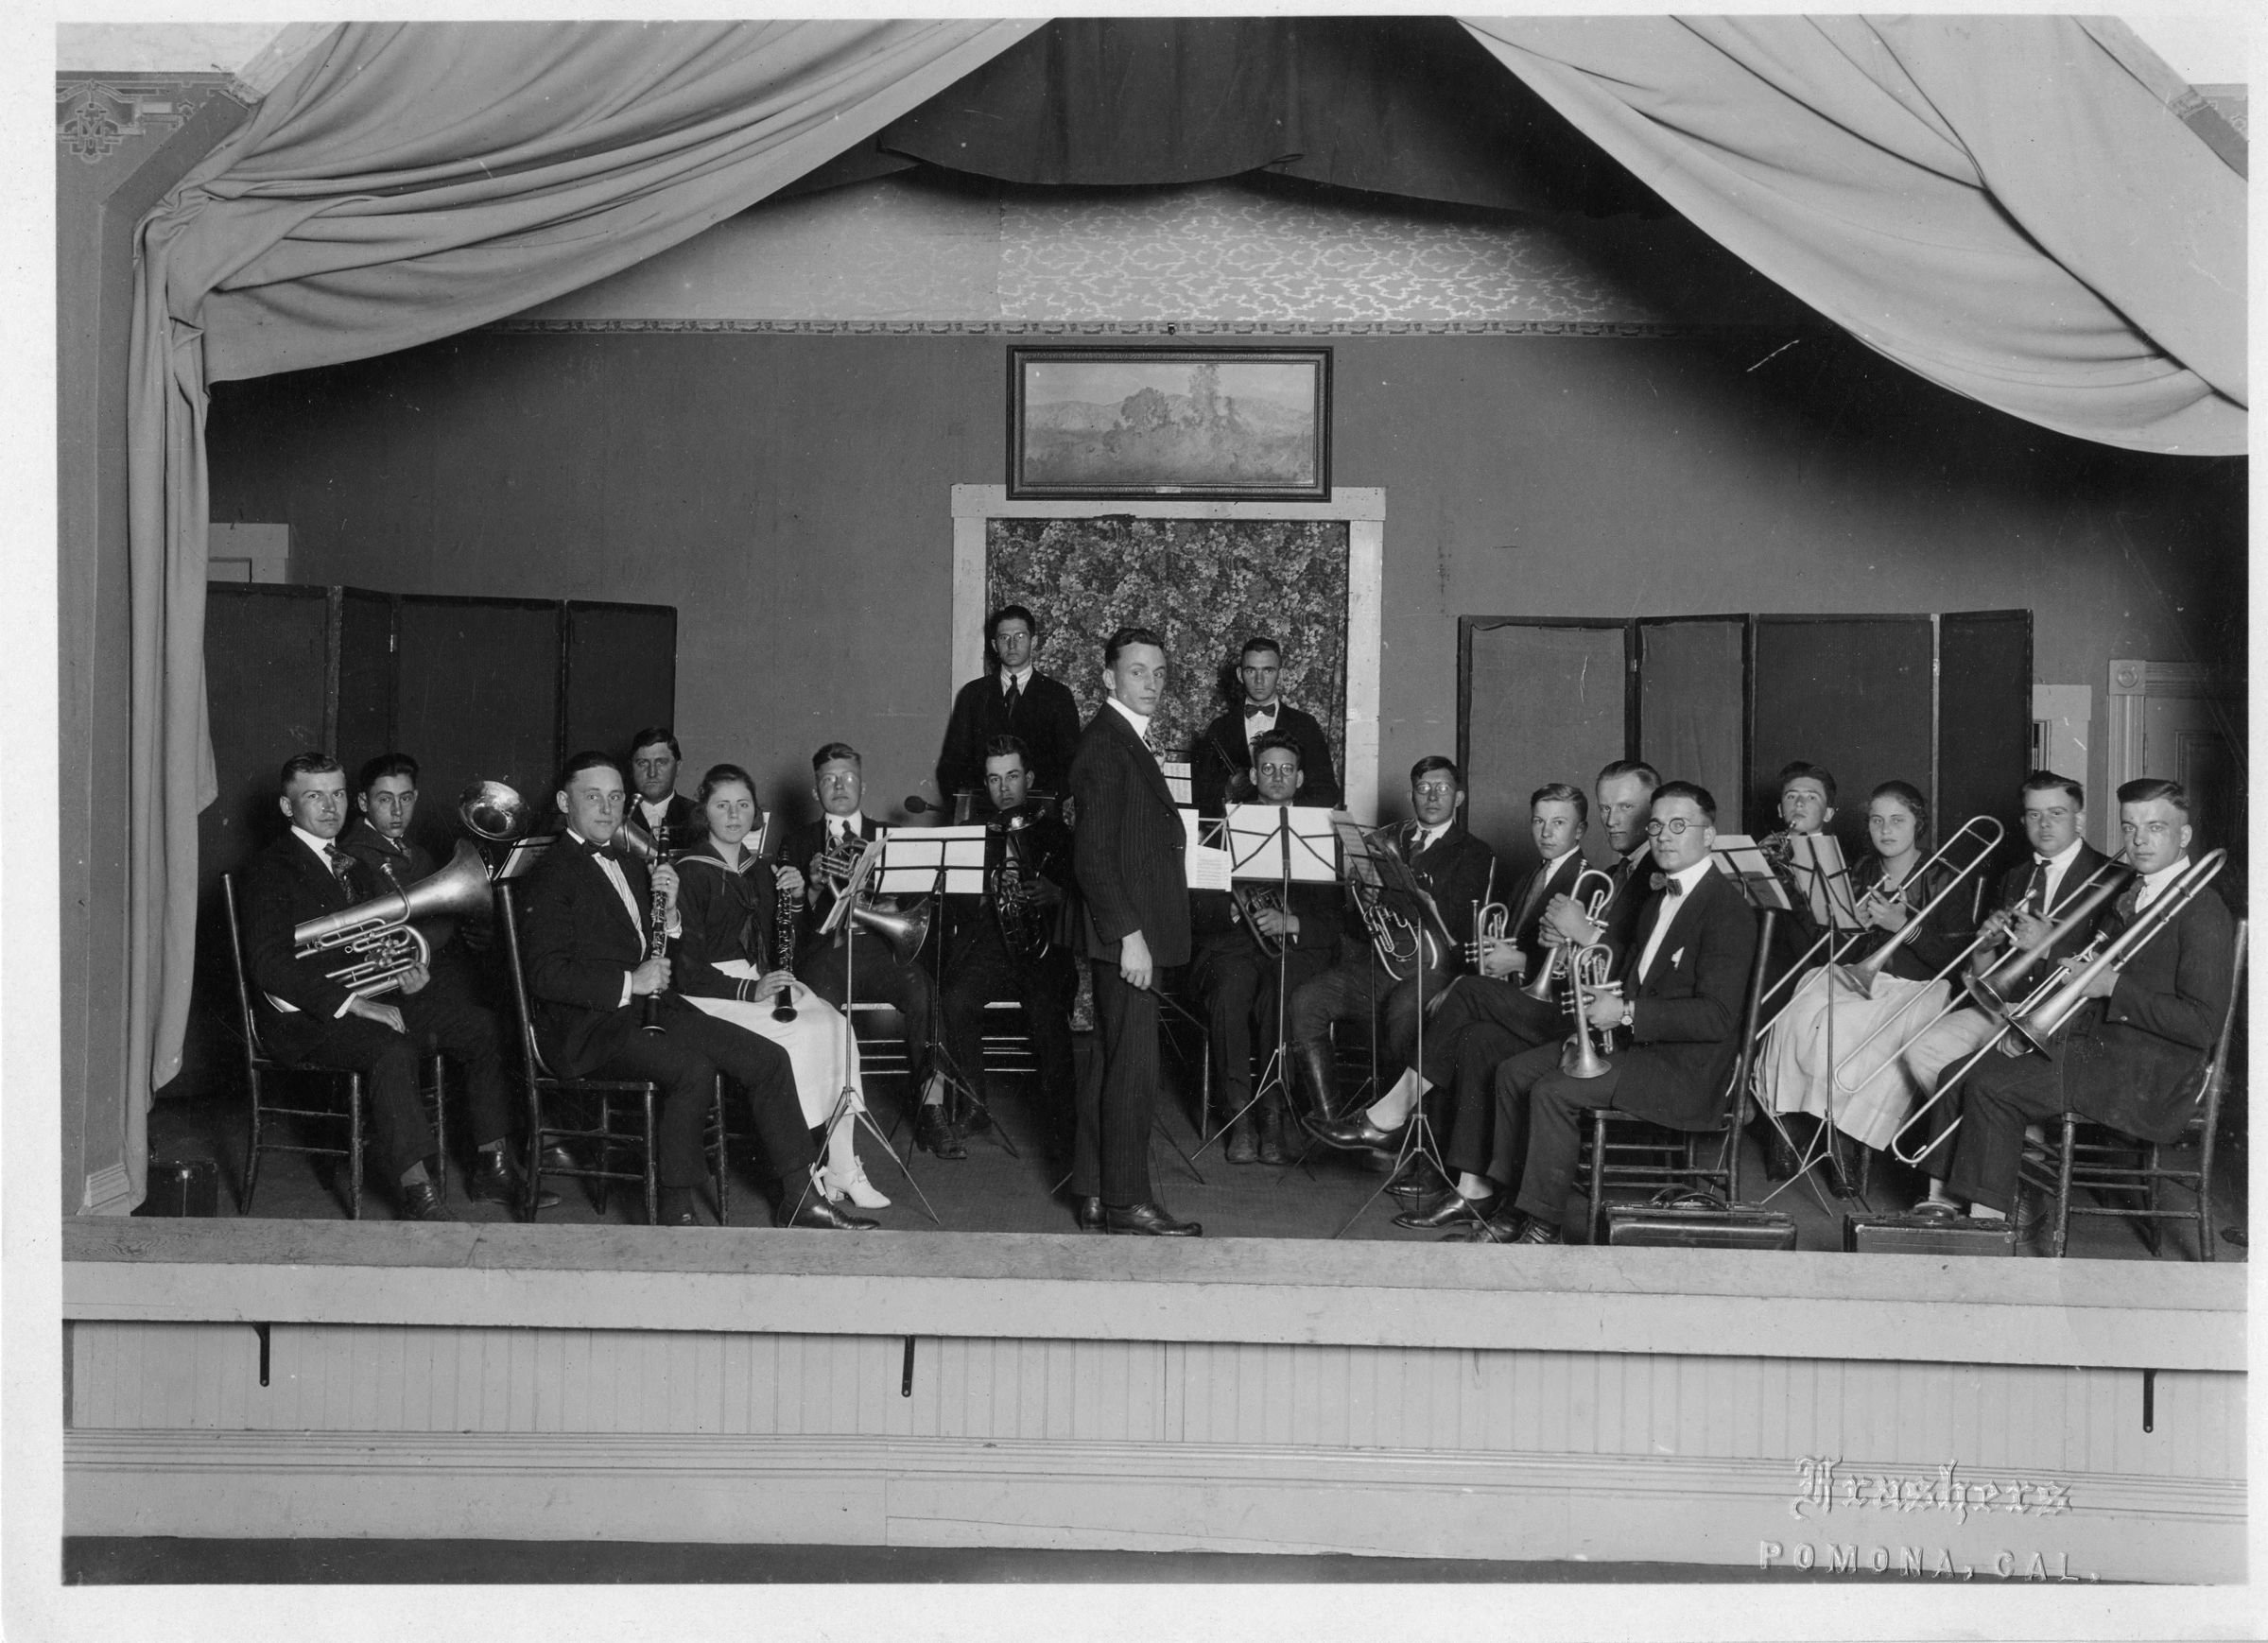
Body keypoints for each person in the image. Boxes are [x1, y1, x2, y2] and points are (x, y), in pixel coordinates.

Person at [522, 751, 872, 1229]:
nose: (606, 808)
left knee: (768, 1058)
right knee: (692, 1069)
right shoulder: (548, 874)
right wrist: (630, 982)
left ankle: (800, 1197)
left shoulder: (629, 863)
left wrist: (669, 914)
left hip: (648, 1008)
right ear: (565, 802)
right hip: (587, 1026)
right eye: (593, 797)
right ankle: (676, 1208)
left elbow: (661, 945)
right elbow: (545, 975)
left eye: (616, 797)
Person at [1913, 779, 2232, 1241]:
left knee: (1991, 1087)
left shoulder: (2202, 910)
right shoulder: (2136, 892)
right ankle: (1941, 1203)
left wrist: (2113, 986)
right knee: (1956, 1074)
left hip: (2147, 1070)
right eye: (2130, 827)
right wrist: (2034, 1028)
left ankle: (1987, 1226)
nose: (2139, 840)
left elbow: (2202, 1025)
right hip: (2097, 1047)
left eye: (2156, 827)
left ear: (2183, 835)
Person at [1454, 779, 1758, 1244]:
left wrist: (1627, 1012)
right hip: (1633, 1049)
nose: (1664, 835)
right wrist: (1593, 1024)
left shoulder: (1727, 910)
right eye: (1656, 825)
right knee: (1513, 1073)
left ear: (1710, 836)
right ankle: (1513, 1210)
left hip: (1685, 1070)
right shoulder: (1657, 899)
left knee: (1552, 1091)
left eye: (1679, 825)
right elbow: (1629, 975)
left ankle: (1543, 1228)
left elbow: (1716, 1017)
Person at [239, 752, 525, 1219]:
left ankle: (492, 1164)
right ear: (288, 807)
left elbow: (365, 945)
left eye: (336, 794)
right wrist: (355, 1002)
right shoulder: (270, 867)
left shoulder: (353, 864)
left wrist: (399, 968)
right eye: (314, 796)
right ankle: (418, 1191)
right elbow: (269, 965)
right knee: (391, 1048)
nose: (330, 807)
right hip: (305, 1018)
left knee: (480, 1027)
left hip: (363, 1001)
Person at [1317, 782, 1594, 1228]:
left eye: (1559, 823)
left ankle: (1390, 1113)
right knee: (1472, 1038)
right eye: (1539, 821)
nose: (1546, 832)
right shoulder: (1532, 876)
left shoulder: (1585, 879)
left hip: (1562, 1014)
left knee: (1464, 992)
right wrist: (1495, 958)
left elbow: (1590, 965)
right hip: (1522, 1002)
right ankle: (1472, 1189)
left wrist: (1518, 962)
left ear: (1580, 831)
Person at [669, 763, 888, 1211]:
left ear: (755, 812)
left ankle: (843, 1166)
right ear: (703, 812)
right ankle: (803, 1169)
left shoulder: (763, 869)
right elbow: (685, 968)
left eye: (743, 805)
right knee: (797, 1036)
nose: (734, 815)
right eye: (721, 806)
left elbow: (788, 945)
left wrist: (798, 898)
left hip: (762, 979)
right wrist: (749, 990)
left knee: (836, 1027)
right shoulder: (688, 872)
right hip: (710, 993)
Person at [1754, 782, 1977, 1170]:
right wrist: (1848, 924)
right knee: (1799, 1012)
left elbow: (1957, 960)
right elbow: (1839, 950)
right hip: (1863, 977)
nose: (1885, 830)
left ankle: (1848, 1145)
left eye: (1897, 820)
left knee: (1849, 1028)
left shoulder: (1945, 876)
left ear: (1918, 824)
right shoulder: (1861, 870)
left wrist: (1905, 928)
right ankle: (1788, 1125)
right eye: (1876, 820)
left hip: (1919, 986)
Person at [1068, 625, 1200, 1237]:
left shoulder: (1122, 738)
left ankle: (1096, 1190)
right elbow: (1092, 858)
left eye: (1158, 673)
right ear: (1108, 677)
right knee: (1134, 1071)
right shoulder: (1105, 745)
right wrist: (1130, 937)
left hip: (1128, 929)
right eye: (1137, 672)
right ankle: (1127, 1201)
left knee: (1110, 1061)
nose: (1151, 683)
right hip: (1127, 935)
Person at [1283, 755, 1496, 1131]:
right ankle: (1332, 1124)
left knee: (1403, 1016)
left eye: (1443, 788)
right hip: (1379, 961)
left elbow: (1458, 923)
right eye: (1423, 788)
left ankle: (1392, 1131)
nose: (1432, 796)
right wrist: (1363, 900)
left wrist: (1396, 892)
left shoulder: (1475, 852)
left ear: (1459, 798)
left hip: (1432, 968)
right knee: (1306, 1001)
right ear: (1411, 795)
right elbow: (1354, 924)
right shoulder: (1387, 839)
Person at [775, 742, 958, 1156]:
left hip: (881, 948)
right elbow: (790, 926)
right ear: (815, 791)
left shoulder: (888, 836)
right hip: (827, 952)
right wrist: (814, 888)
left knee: (923, 991)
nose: (839, 786)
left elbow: (919, 904)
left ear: (863, 784)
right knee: (816, 1010)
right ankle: (821, 1120)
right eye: (828, 780)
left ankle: (932, 1108)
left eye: (848, 777)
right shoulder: (797, 842)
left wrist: (890, 898)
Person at [1896, 770, 2114, 1111]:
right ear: (2023, 820)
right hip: (2006, 1007)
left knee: (1990, 1077)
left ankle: (2005, 1131)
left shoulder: (2113, 877)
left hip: (2064, 1017)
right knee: (1924, 1050)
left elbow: (2113, 967)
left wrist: (2047, 946)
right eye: (2034, 814)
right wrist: (1984, 947)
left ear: (2080, 819)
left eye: (2057, 813)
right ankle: (1992, 1133)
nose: (2044, 824)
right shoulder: (2015, 876)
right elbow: (1991, 973)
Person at [1186, 732, 1343, 1164]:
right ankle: (1239, 1116)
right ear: (1253, 775)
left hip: (1290, 951)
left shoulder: (1321, 832)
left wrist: (1292, 922)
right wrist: (1230, 911)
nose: (1277, 777)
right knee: (1230, 990)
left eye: (1287, 769)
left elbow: (1335, 922)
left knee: (1282, 990)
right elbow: (1196, 904)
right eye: (1268, 768)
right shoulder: (1223, 828)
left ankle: (1273, 1113)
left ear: (1300, 779)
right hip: (1233, 947)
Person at [937, 735, 1081, 1164]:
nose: (1004, 788)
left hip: (1044, 951)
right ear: (986, 784)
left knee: (1048, 1009)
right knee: (955, 999)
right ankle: (974, 1106)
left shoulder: (1059, 833)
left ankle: (1062, 1117)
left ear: (1029, 779)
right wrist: (985, 890)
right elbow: (952, 905)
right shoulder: (971, 836)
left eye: (1013, 776)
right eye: (995, 779)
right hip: (992, 949)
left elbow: (1085, 895)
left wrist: (1057, 894)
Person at [935, 604, 1083, 811]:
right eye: (1004, 637)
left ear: (1034, 641)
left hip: (1039, 816)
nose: (1012, 645)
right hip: (984, 814)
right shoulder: (973, 695)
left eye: (1020, 636)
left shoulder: (1057, 696)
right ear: (994, 645)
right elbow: (952, 765)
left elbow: (1071, 766)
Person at [1188, 634, 1341, 816]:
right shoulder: (1220, 728)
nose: (1259, 680)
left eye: (1268, 671)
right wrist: (1227, 790)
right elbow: (1200, 794)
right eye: (1251, 671)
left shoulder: (1305, 725)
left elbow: (1327, 792)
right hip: (1236, 827)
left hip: (1289, 827)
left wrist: (1284, 814)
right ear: (1240, 675)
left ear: (1280, 674)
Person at [627, 727, 707, 851]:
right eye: (643, 763)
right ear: (631, 768)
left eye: (661, 762)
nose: (652, 773)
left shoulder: (699, 816)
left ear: (678, 767)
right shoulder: (618, 815)